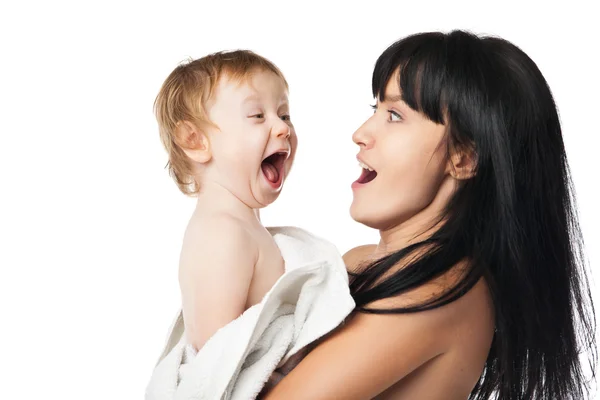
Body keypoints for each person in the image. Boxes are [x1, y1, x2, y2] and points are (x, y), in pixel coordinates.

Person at [262, 30, 597, 400]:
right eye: (375, 109)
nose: (360, 134)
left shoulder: (439, 289)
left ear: (464, 158)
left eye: (394, 115)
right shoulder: (363, 262)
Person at [153, 50, 297, 353]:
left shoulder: (244, 226)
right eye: (258, 116)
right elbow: (216, 359)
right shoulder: (223, 232)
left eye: (284, 115)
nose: (283, 128)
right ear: (196, 141)